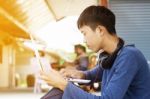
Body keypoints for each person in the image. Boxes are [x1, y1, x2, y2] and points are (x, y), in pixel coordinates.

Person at [40, 5, 150, 99]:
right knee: (58, 92)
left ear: (100, 30)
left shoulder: (129, 56)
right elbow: (92, 75)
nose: (84, 40)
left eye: (84, 33)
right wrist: (79, 74)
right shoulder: (110, 57)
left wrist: (63, 84)